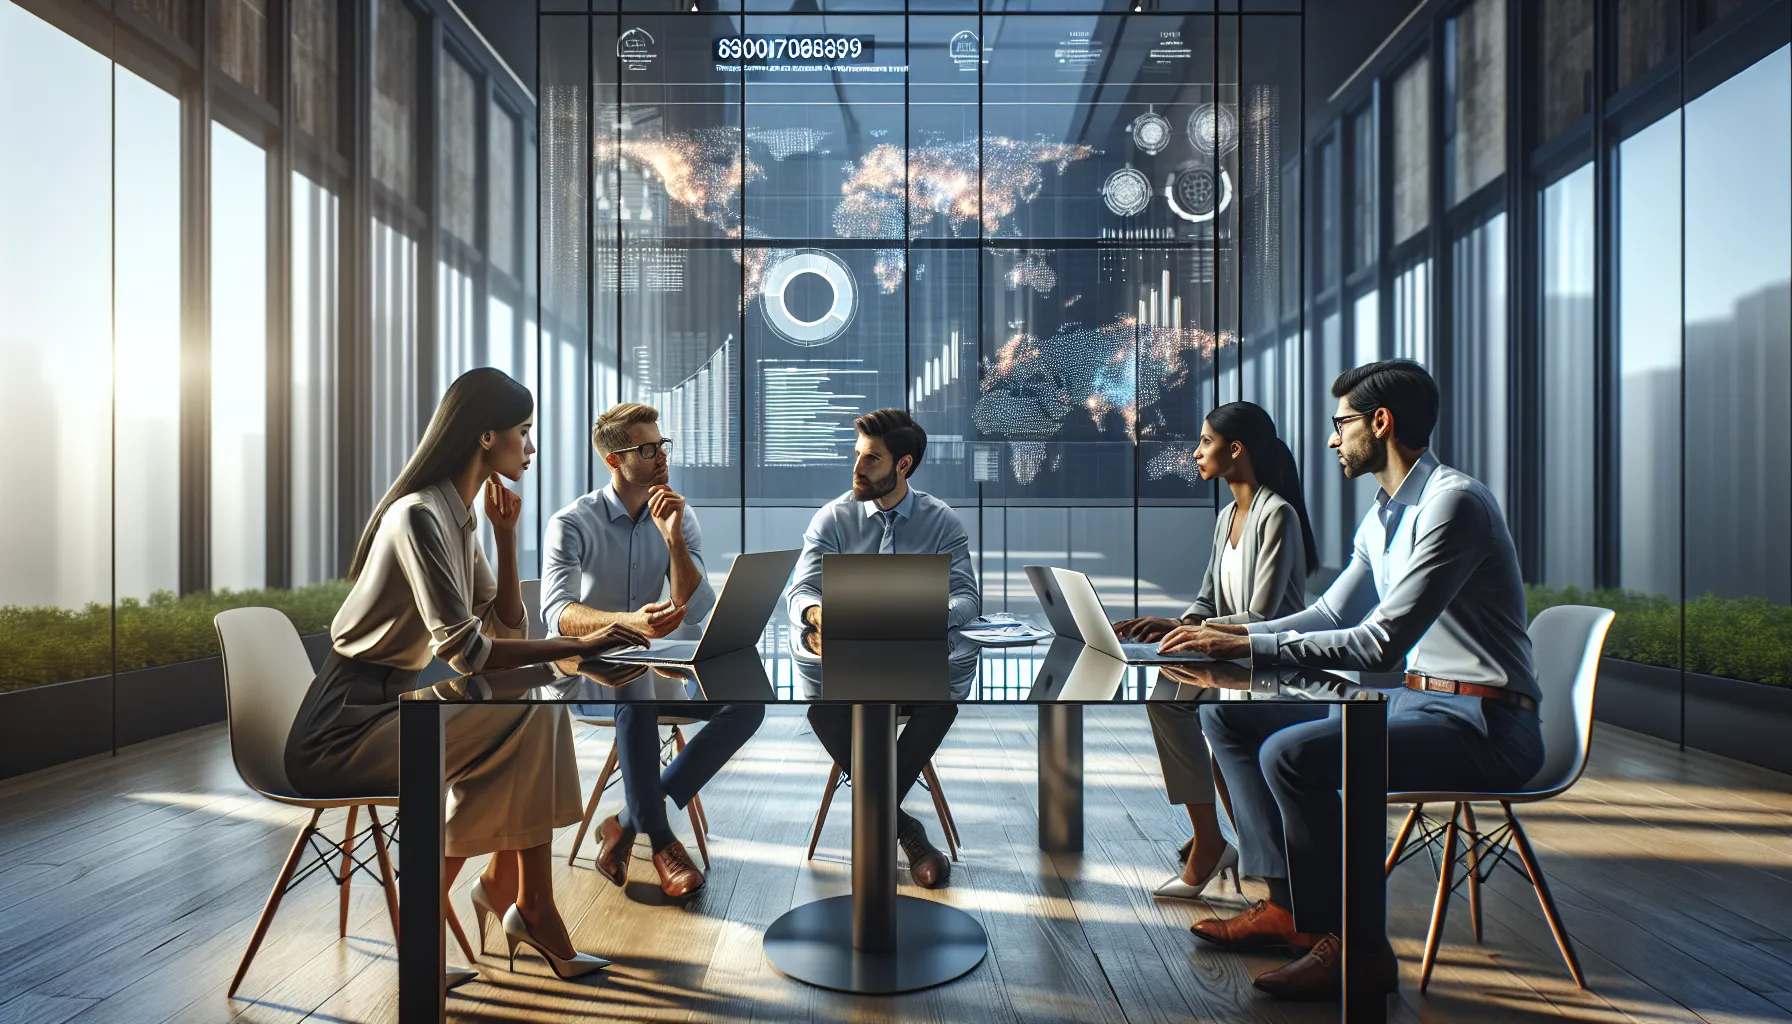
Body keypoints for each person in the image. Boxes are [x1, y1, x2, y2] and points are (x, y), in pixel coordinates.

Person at [1164, 360, 1545, 1001]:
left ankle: (1355, 949)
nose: (1333, 439)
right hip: (1415, 701)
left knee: (1292, 754)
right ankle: (1287, 907)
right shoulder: (1383, 515)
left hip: (1487, 725)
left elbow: (1379, 641)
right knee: (1227, 715)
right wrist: (1240, 639)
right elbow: (1332, 613)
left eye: (1341, 425)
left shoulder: (1453, 504)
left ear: (1380, 422)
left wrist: (1250, 641)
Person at [284, 368, 650, 981]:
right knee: (529, 717)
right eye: (524, 432)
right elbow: (467, 653)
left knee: (535, 712)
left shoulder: (461, 516)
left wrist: (507, 541)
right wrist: (575, 642)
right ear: (486, 438)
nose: (531, 447)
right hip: (342, 730)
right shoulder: (419, 517)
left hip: (393, 704)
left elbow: (503, 628)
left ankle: (518, 903)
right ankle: (515, 905)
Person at [542, 402, 763, 899]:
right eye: (646, 448)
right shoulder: (572, 523)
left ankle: (624, 821)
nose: (660, 455)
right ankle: (662, 841)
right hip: (591, 676)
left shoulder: (677, 516)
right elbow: (556, 612)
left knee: (747, 705)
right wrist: (626, 623)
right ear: (614, 461)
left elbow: (698, 604)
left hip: (656, 671)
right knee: (633, 691)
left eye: (661, 444)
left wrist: (675, 543)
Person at [1111, 402, 1316, 901]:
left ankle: (1215, 844)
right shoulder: (1227, 515)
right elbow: (1208, 600)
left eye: (1205, 441)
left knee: (1180, 706)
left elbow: (1261, 617)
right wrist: (1177, 623)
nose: (1196, 452)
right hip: (1226, 663)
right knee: (1165, 700)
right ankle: (1211, 838)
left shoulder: (1277, 515)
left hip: (1267, 666)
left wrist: (1200, 631)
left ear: (1235, 448)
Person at [788, 408, 978, 889]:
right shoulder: (832, 517)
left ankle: (884, 819)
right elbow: (801, 591)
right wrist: (818, 614)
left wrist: (927, 614)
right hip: (844, 669)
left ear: (904, 465)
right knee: (822, 710)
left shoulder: (941, 520)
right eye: (857, 455)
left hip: (918, 666)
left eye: (871, 459)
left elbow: (967, 598)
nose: (856, 468)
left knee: (941, 703)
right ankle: (907, 831)